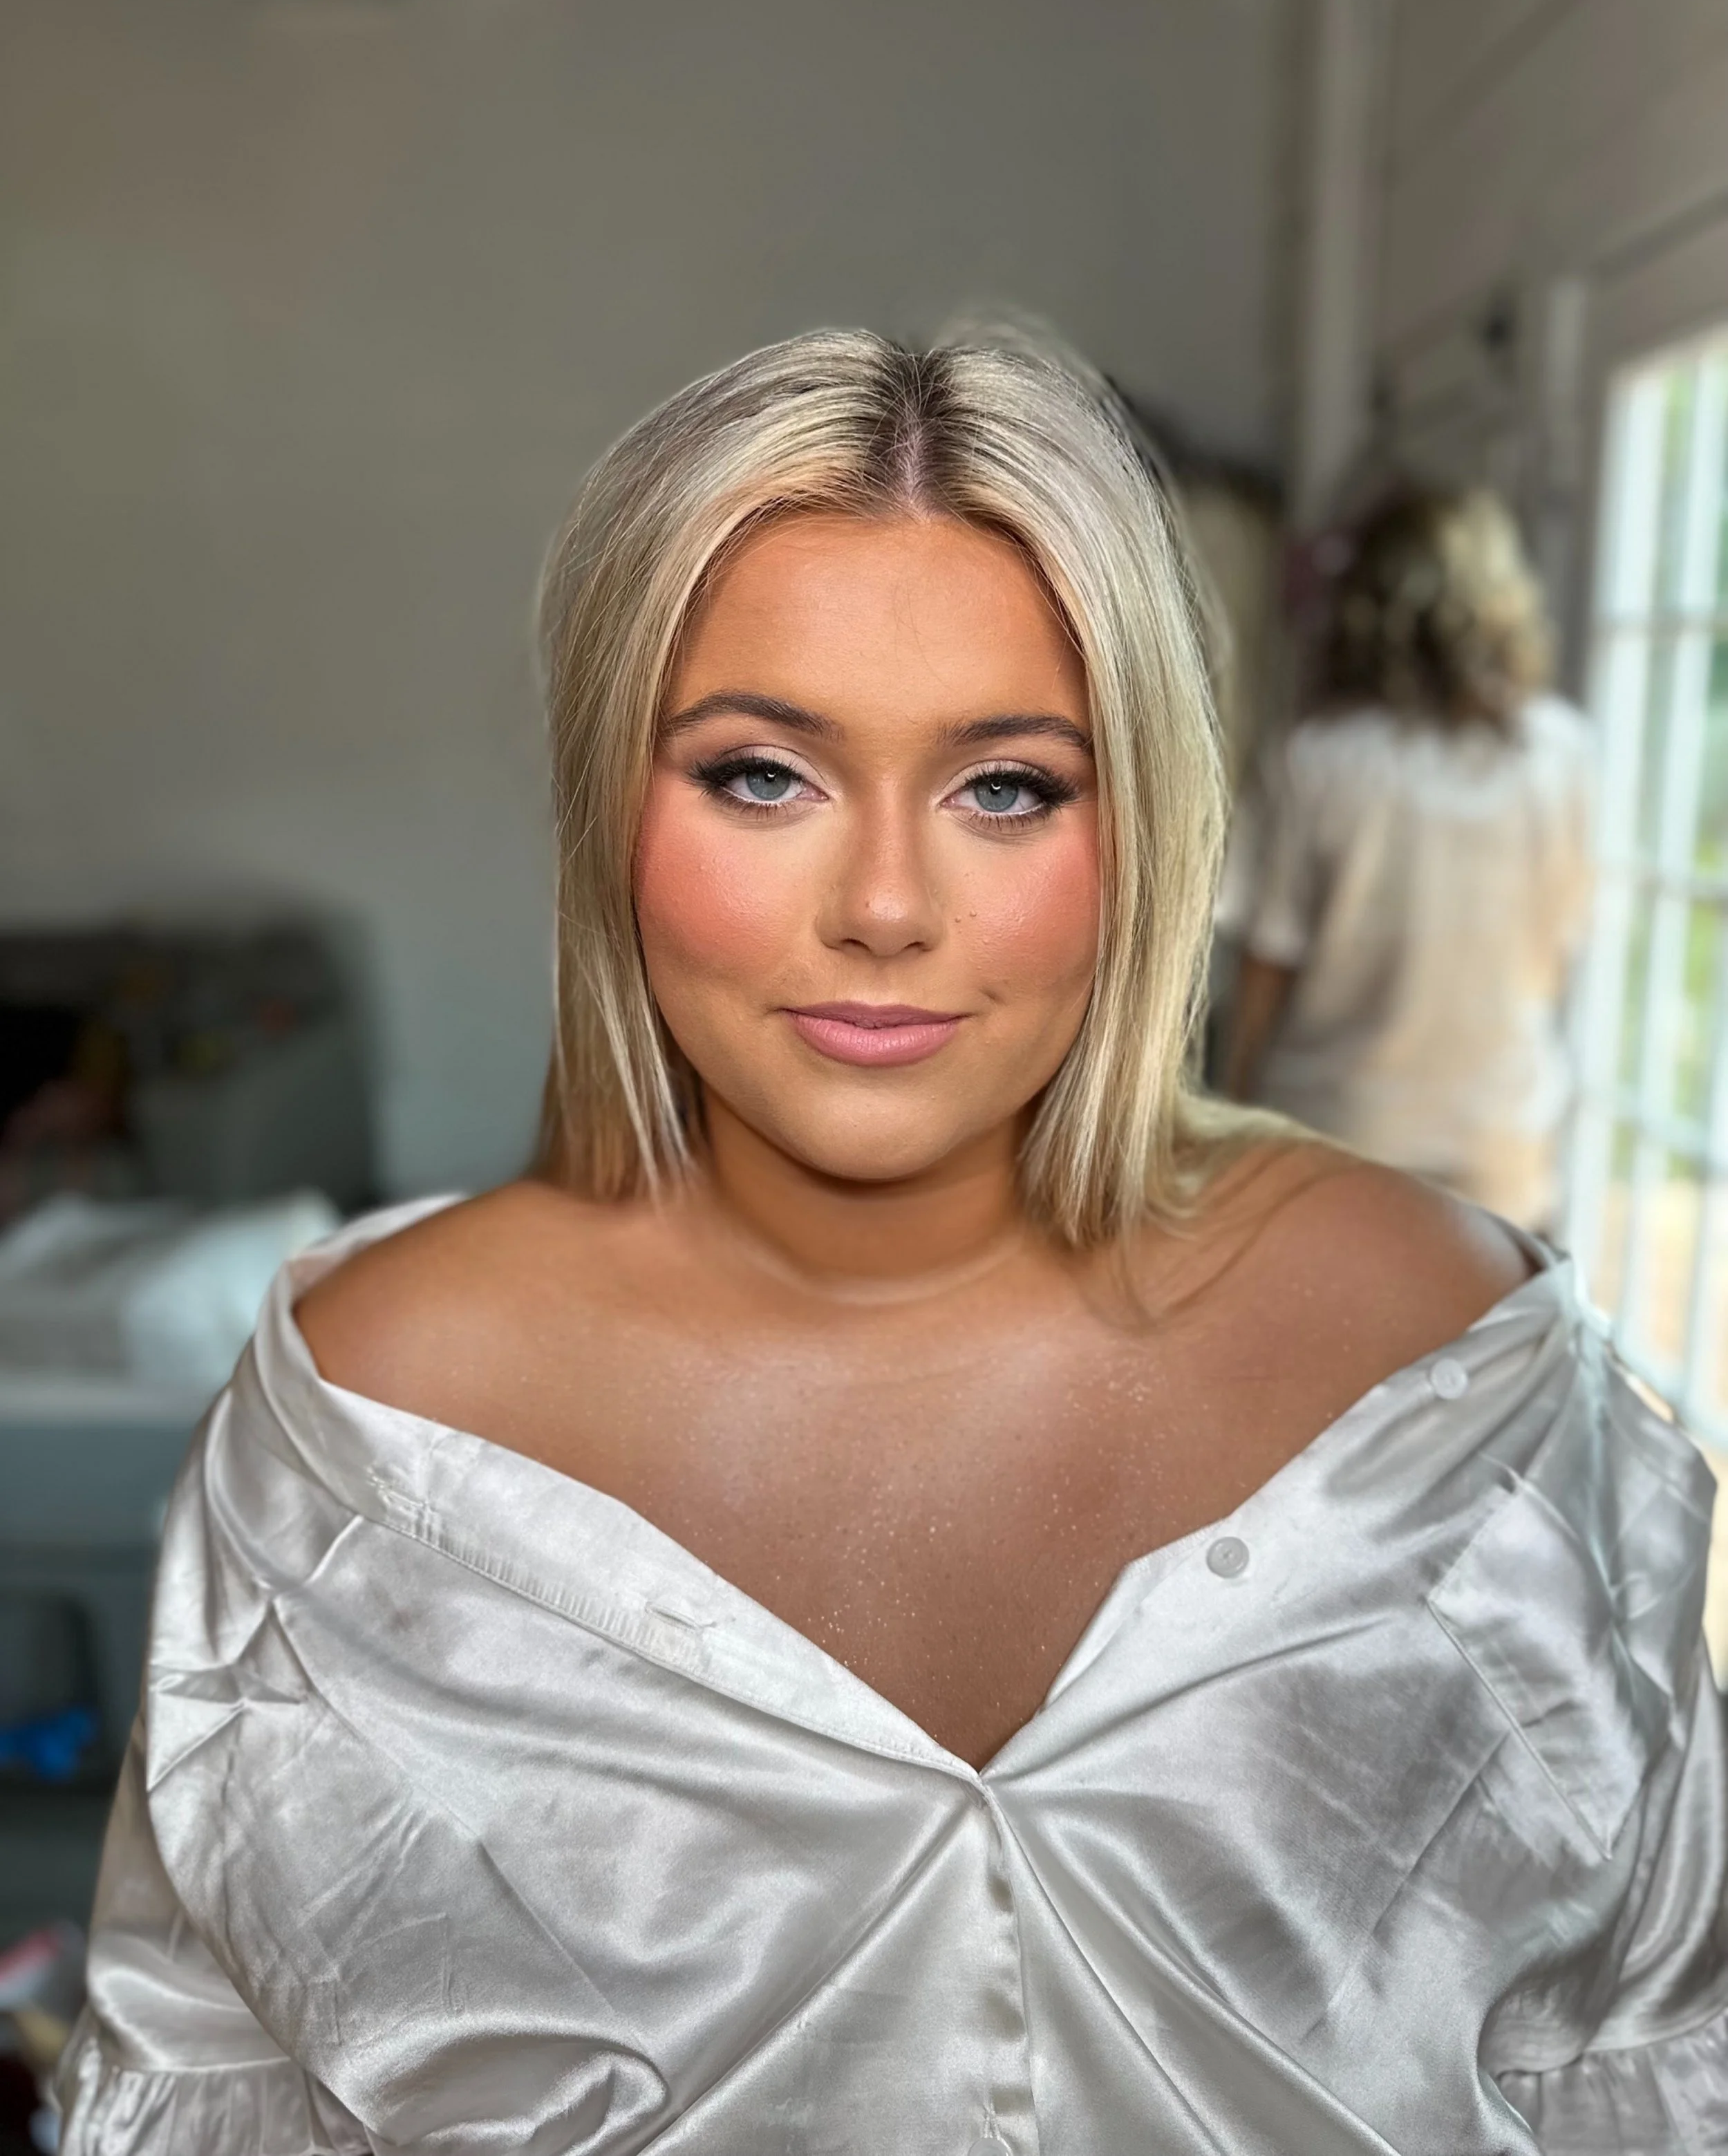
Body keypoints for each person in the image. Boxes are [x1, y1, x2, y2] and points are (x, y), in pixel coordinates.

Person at [59, 337, 1723, 2154]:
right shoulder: (360, 1423)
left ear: (1144, 823)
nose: (880, 906)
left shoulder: (1446, 1365)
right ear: (612, 805)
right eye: (763, 774)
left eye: (1005, 786)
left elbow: (1640, 2065)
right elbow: (208, 2100)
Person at [1221, 487, 1595, 1230]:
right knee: (1486, 1341)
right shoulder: (1564, 751)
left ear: (1365, 601)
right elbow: (1557, 951)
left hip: (1335, 1130)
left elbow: (1267, 963)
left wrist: (1225, 1111)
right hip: (1501, 1134)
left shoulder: (1314, 758)